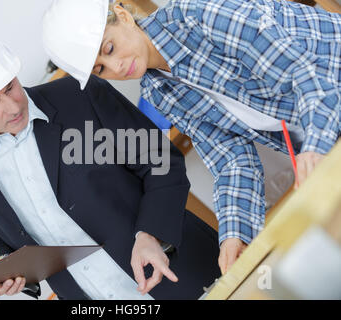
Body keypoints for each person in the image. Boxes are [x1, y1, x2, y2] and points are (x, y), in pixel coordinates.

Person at [41, 0, 341, 274]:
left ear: (122, 15)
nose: (117, 66)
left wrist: (315, 148)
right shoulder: (160, 94)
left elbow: (305, 73)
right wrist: (234, 235)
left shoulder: (201, 17)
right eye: (101, 69)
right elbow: (231, 160)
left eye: (109, 48)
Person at [0, 26, 221, 300]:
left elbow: (161, 161)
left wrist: (151, 233)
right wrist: (4, 266)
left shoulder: (80, 95)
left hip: (184, 276)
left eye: (10, 87)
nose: (13, 105)